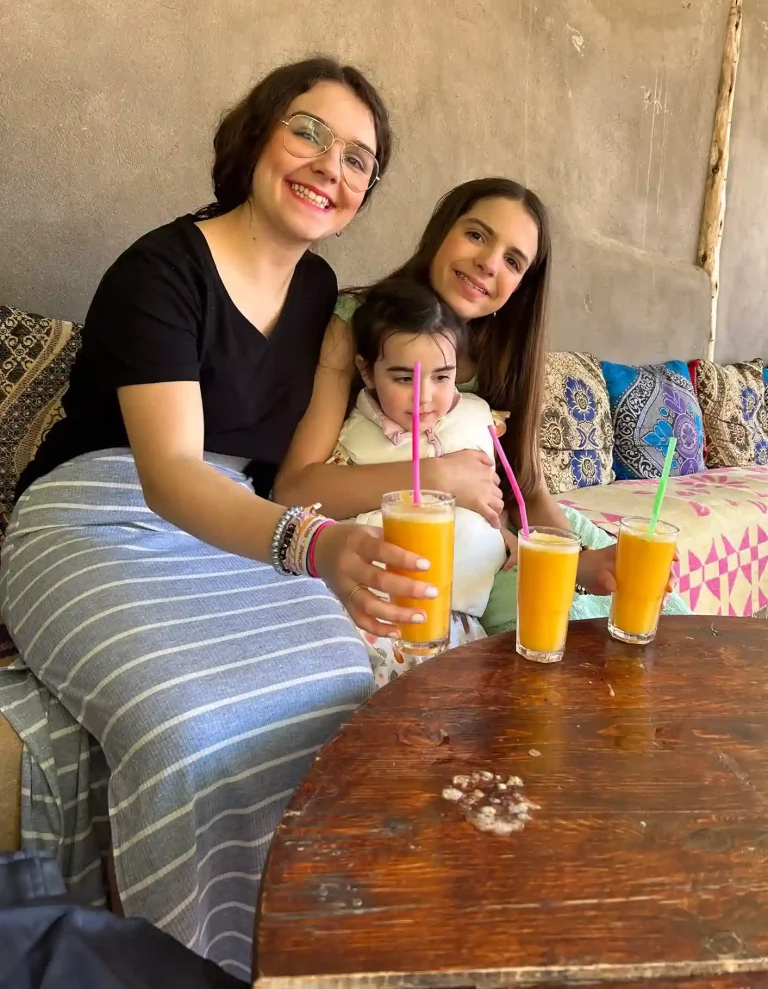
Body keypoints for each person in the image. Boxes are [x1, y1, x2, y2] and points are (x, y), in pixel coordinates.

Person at [0, 57, 438, 979]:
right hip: (100, 514)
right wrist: (314, 546)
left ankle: (309, 957)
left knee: (351, 702)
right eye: (308, 132)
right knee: (188, 730)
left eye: (359, 158)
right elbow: (168, 475)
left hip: (234, 526)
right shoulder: (159, 269)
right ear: (257, 135)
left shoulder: (323, 296)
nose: (330, 166)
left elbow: (314, 449)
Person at [275, 177, 688, 632]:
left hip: (508, 533)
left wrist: (581, 560)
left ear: (522, 285)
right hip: (419, 530)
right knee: (551, 633)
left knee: (660, 614)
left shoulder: (507, 356)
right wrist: (439, 476)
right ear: (441, 232)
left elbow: (528, 491)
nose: (489, 263)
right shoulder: (359, 321)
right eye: (476, 234)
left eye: (513, 261)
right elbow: (294, 491)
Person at [327, 276, 517, 684]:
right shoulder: (354, 438)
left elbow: (491, 499)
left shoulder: (474, 423)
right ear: (366, 371)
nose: (424, 397)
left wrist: (505, 535)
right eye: (403, 378)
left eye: (441, 377)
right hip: (379, 613)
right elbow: (322, 511)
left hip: (462, 619)